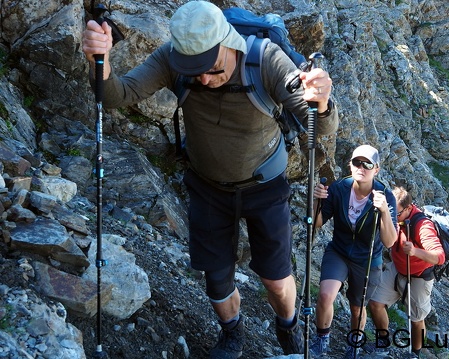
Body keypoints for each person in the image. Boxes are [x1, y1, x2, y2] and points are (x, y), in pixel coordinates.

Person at [82, 1, 338, 358]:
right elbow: (116, 95)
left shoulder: (265, 60)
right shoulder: (172, 57)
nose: (203, 79)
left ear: (228, 43)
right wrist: (102, 60)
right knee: (216, 279)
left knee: (277, 281)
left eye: (212, 68)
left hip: (266, 187)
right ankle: (232, 333)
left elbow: (321, 127)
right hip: (207, 187)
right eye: (195, 71)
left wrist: (322, 101)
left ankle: (288, 325)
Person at [310, 144, 398, 358]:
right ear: (350, 165)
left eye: (367, 164)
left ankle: (354, 345)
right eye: (357, 162)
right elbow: (318, 222)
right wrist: (316, 201)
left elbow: (390, 241)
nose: (361, 167)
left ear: (376, 169)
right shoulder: (339, 188)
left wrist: (384, 211)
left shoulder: (385, 196)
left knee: (357, 309)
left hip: (367, 259)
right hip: (339, 251)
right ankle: (322, 341)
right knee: (325, 295)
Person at [368, 187, 445, 358]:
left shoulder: (423, 226)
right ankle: (383, 343)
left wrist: (415, 252)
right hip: (398, 268)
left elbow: (440, 256)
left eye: (398, 213)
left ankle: (415, 353)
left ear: (409, 208)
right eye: (391, 212)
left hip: (419, 275)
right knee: (375, 302)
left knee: (416, 319)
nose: (394, 216)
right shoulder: (396, 216)